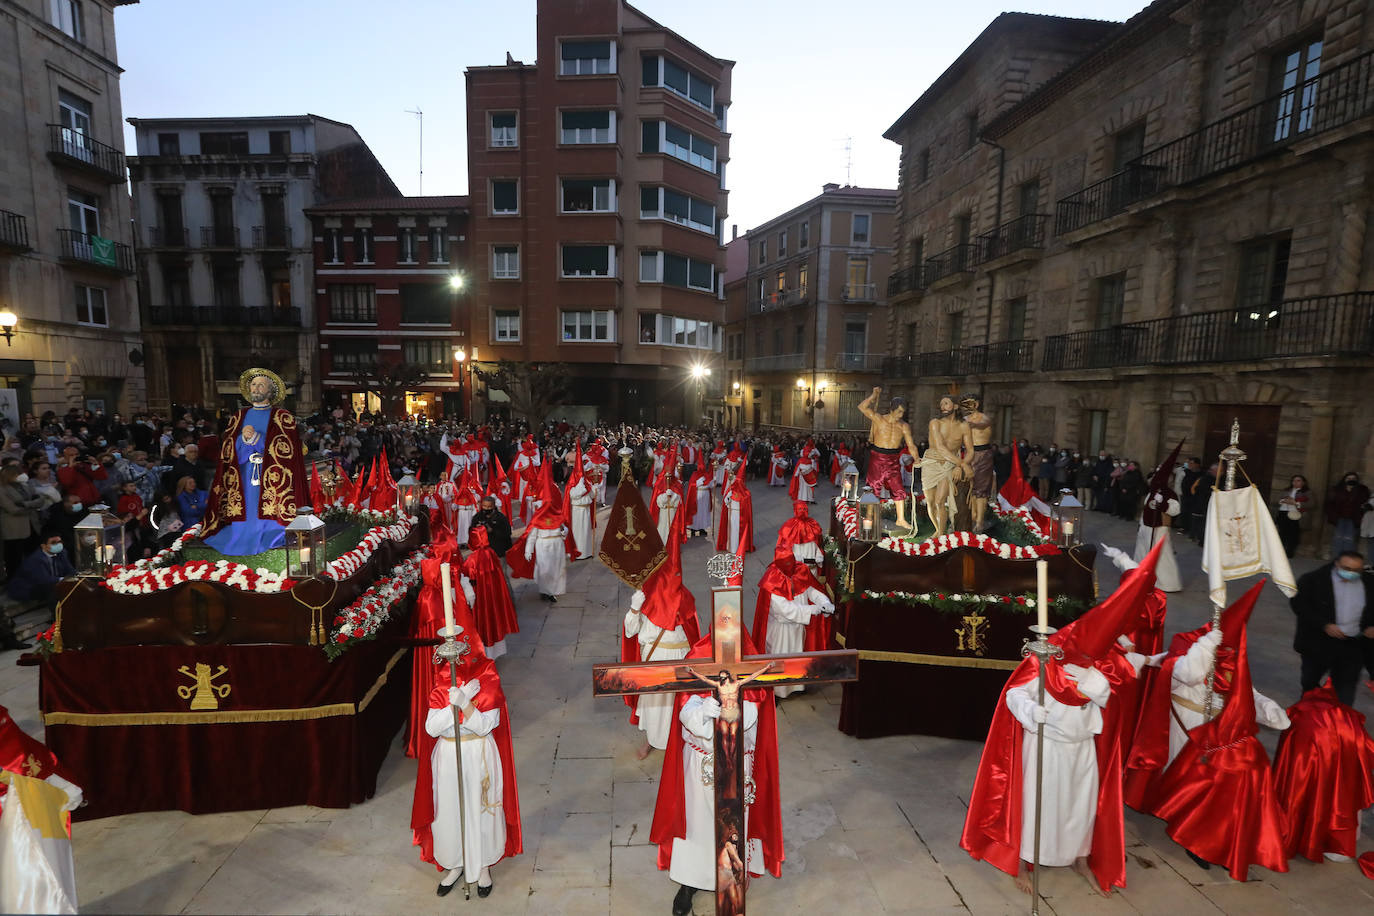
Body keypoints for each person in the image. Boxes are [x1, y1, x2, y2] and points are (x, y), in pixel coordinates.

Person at [961, 544, 1160, 898]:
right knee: (1039, 805)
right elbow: (1014, 694)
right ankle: (1024, 861)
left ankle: (1080, 857)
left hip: (1081, 748)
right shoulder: (1046, 660)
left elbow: (1113, 682)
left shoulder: (1099, 671)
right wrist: (1029, 712)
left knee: (1079, 808)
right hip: (1046, 747)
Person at [1147, 582, 1289, 880]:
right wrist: (1206, 649)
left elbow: (1247, 695)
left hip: (1221, 735)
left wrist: (1269, 710)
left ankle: (1210, 839)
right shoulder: (1188, 647)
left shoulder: (1233, 661)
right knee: (1186, 783)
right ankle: (1186, 830)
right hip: (1188, 722)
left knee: (1215, 792)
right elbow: (1185, 673)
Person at [649, 627, 783, 916]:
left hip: (737, 765)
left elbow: (752, 718)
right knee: (698, 826)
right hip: (702, 764)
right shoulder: (698, 660)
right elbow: (688, 717)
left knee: (734, 827)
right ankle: (690, 882)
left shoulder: (754, 668)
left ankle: (732, 878)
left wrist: (731, 705)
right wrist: (706, 707)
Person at [410, 619, 522, 898]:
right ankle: (455, 863)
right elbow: (432, 728)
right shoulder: (441, 686)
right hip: (448, 756)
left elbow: (485, 726)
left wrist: (468, 703)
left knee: (481, 809)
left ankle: (482, 865)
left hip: (478, 754)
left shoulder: (488, 683)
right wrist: (452, 705)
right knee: (449, 809)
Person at [200, 369, 309, 556]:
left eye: (260, 385)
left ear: (270, 391)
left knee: (268, 507)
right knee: (246, 506)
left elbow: (287, 448)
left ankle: (272, 533)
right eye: (253, 385)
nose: (256, 388)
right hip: (244, 472)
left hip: (273, 475)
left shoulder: (282, 417)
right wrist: (243, 441)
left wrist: (256, 439)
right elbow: (228, 449)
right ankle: (241, 534)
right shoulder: (238, 417)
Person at [1272, 681, 1374, 865]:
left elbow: (1291, 769)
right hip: (1346, 748)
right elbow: (1368, 751)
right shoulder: (1349, 719)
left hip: (1310, 743)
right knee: (1342, 788)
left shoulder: (1300, 716)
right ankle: (1336, 841)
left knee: (1304, 786)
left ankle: (1301, 834)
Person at [0, 702, 84, 912]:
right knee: (29, 877)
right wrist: (64, 784)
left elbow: (19, 754)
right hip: (13, 816)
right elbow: (18, 757)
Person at [622, 536, 699, 759]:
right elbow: (630, 631)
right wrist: (635, 609)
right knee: (655, 703)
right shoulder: (648, 596)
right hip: (656, 657)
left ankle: (681, 739)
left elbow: (694, 631)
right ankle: (651, 741)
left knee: (680, 702)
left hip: (682, 657)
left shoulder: (685, 597)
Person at [1289, 550, 1374, 706]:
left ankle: (1340, 721)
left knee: (1346, 689)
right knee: (1310, 682)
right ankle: (1308, 718)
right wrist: (1324, 624)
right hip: (1319, 643)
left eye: (1357, 570)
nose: (1352, 573)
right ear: (1337, 564)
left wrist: (1370, 627)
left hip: (1353, 644)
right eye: (1347, 568)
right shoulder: (1313, 580)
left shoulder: (1369, 583)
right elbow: (1300, 605)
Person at [751, 545, 833, 698]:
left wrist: (824, 601)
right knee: (780, 659)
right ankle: (777, 691)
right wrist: (814, 609)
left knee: (797, 657)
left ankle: (796, 686)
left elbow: (810, 590)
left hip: (797, 627)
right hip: (781, 630)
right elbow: (785, 611)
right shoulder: (771, 580)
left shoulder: (798, 571)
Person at [857, 388, 926, 531]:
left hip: (894, 459)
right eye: (898, 411)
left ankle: (900, 520)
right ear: (892, 409)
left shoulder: (904, 426)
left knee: (899, 489)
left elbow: (911, 445)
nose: (900, 415)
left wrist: (917, 458)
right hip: (877, 458)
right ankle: (870, 517)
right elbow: (862, 407)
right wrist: (874, 395)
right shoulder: (879, 418)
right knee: (873, 488)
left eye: (903, 412)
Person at [1133, 442, 1184, 592]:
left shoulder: (1170, 494)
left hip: (1160, 528)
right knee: (1142, 552)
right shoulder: (1152, 492)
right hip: (1146, 527)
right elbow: (1146, 508)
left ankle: (1168, 583)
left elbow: (1175, 510)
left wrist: (1162, 505)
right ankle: (1140, 576)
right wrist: (1141, 524)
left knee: (1162, 555)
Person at [463, 525, 519, 660]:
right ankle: (495, 652)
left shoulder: (472, 559)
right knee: (493, 620)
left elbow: (467, 576)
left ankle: (484, 655)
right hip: (493, 595)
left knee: (483, 623)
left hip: (480, 598)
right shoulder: (491, 553)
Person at [921, 396, 973, 535]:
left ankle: (940, 533)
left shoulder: (964, 426)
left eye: (946, 403)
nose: (942, 406)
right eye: (941, 403)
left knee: (939, 501)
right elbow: (940, 447)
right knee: (931, 503)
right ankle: (938, 529)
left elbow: (971, 450)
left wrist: (959, 465)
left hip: (948, 465)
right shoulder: (935, 423)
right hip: (931, 463)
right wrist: (962, 464)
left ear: (955, 406)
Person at [7, 531, 76, 609]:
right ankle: (56, 616)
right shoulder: (35, 559)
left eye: (60, 542)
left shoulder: (62, 552)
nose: (58, 544)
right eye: (53, 542)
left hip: (48, 585)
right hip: (27, 588)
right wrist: (64, 579)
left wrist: (78, 576)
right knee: (53, 588)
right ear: (43, 546)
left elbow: (69, 569)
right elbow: (44, 580)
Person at [0, 465, 43, 579]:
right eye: (18, 473)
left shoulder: (26, 486)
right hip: (14, 529)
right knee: (14, 559)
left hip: (32, 525)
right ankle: (15, 584)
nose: (22, 475)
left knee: (33, 555)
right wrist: (32, 505)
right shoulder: (2, 489)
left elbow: (40, 500)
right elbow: (13, 509)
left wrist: (25, 504)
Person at [959, 395, 995, 531]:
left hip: (983, 454)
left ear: (977, 404)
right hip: (968, 454)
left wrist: (969, 424)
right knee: (970, 487)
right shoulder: (963, 420)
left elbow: (982, 424)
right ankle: (973, 515)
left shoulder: (984, 418)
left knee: (981, 489)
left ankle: (980, 521)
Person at [1325, 472, 1368, 558]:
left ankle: (1348, 559)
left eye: (1353, 479)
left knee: (1350, 539)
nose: (1351, 480)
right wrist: (1332, 515)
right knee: (1338, 538)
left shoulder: (1361, 490)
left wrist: (1353, 490)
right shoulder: (1337, 489)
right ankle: (1337, 558)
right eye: (1348, 478)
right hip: (1339, 517)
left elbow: (1363, 502)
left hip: (1354, 518)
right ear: (1344, 479)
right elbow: (1330, 503)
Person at [715, 460, 754, 555]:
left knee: (738, 532)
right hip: (732, 513)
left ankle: (740, 547)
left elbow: (746, 505)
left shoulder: (746, 494)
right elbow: (725, 501)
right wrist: (728, 500)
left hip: (741, 516)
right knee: (732, 531)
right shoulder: (731, 490)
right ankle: (732, 547)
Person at [1274, 474, 1313, 558]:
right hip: (1283, 512)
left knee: (1293, 534)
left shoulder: (1307, 492)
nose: (1295, 482)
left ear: (1303, 482)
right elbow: (1277, 499)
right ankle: (1279, 552)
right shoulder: (1287, 490)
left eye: (1298, 480)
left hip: (1296, 514)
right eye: (1294, 480)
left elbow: (1311, 504)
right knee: (1282, 533)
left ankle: (1289, 552)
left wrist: (1296, 503)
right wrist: (1284, 500)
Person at [775, 500, 823, 566]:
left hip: (811, 561)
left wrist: (818, 556)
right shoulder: (789, 526)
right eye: (800, 509)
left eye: (804, 509)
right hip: (796, 564)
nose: (802, 511)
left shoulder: (813, 524)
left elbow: (818, 544)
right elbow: (783, 547)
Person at [685, 455, 712, 539]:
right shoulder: (694, 474)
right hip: (698, 495)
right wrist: (699, 482)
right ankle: (693, 529)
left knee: (704, 511)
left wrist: (712, 482)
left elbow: (710, 484)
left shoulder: (707, 474)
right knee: (696, 511)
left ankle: (702, 528)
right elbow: (691, 485)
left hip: (706, 495)